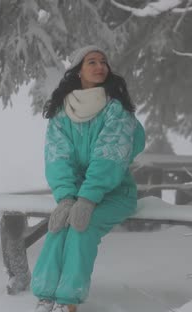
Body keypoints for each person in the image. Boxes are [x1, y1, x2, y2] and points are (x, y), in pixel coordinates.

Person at [31, 45, 146, 312]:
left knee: (82, 226)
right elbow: (57, 157)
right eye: (91, 62)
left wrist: (87, 198)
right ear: (77, 71)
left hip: (115, 193)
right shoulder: (62, 114)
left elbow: (110, 157)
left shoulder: (115, 110)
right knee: (59, 225)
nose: (100, 66)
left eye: (103, 62)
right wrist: (66, 197)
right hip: (76, 193)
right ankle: (46, 296)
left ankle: (68, 301)